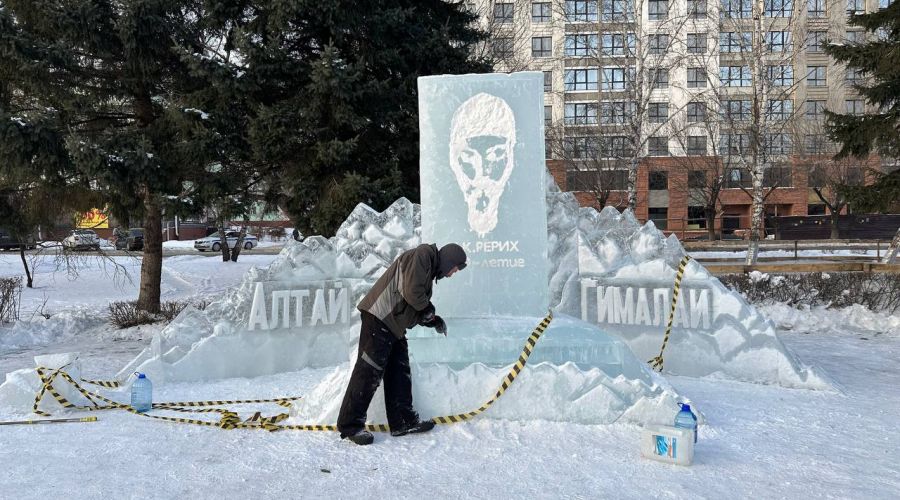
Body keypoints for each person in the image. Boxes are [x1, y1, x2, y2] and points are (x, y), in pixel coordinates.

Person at [336, 243, 468, 445]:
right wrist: (428, 310)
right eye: (455, 268)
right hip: (379, 317)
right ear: (449, 260)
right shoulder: (423, 255)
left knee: (399, 370)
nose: (453, 273)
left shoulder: (427, 271)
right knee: (368, 371)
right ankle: (350, 425)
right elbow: (411, 291)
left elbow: (413, 307)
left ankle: (402, 421)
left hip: (393, 325)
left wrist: (433, 320)